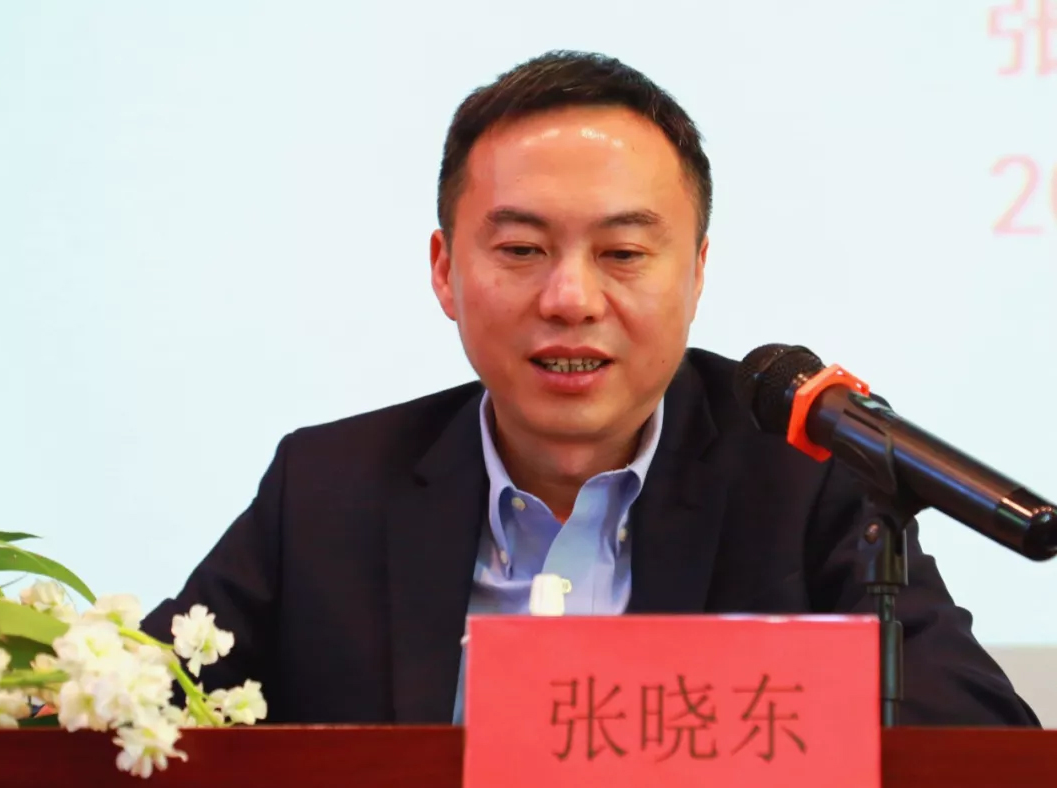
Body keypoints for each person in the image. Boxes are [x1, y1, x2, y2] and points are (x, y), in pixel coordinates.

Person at [141, 50, 1039, 727]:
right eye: (522, 249)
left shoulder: (802, 475)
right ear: (445, 270)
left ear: (696, 273)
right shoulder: (327, 488)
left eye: (623, 253)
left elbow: (981, 742)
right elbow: (129, 713)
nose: (570, 298)